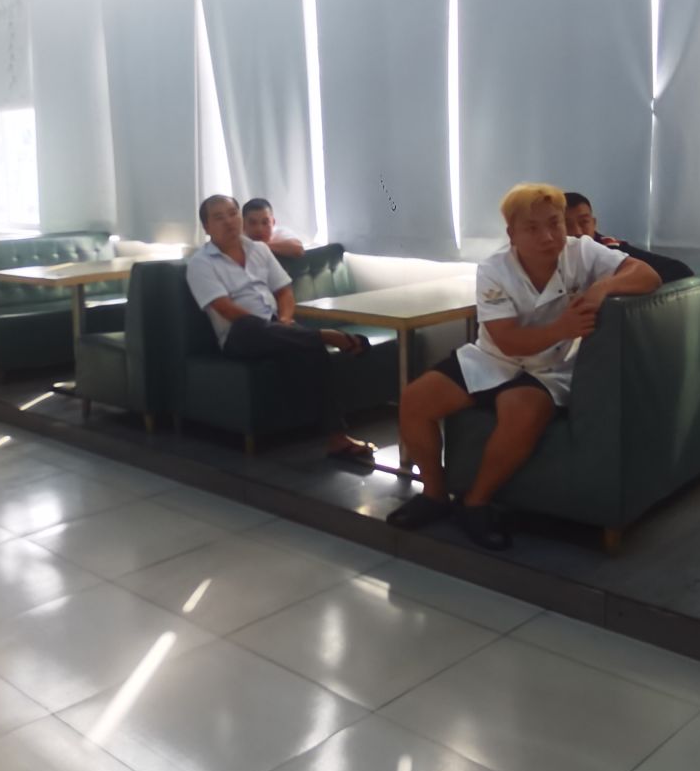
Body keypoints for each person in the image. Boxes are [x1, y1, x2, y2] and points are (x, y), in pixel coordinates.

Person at [390, 183, 660, 549]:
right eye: (532, 228)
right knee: (414, 400)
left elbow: (647, 275)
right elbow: (507, 340)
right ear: (512, 234)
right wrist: (563, 327)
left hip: (550, 367)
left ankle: (475, 503)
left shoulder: (582, 251)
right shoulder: (494, 269)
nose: (547, 236)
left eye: (554, 223)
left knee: (522, 412)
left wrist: (602, 288)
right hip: (492, 357)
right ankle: (434, 495)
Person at [187, 194, 376, 466]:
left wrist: (285, 320)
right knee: (252, 326)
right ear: (206, 227)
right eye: (219, 217)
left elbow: (284, 291)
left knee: (314, 351)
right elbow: (224, 308)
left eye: (232, 214)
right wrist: (271, 326)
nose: (228, 221)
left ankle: (337, 439)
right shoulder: (201, 263)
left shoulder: (259, 250)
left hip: (277, 327)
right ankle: (324, 335)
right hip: (239, 335)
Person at [561, 194, 693, 284]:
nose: (577, 232)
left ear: (594, 223)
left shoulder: (611, 248)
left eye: (584, 222)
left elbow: (679, 271)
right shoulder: (555, 254)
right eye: (567, 224)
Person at [241, 198, 308, 260]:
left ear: (273, 222)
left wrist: (260, 246)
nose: (259, 229)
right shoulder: (239, 238)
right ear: (243, 224)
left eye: (265, 222)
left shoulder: (279, 233)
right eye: (253, 223)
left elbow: (298, 249)